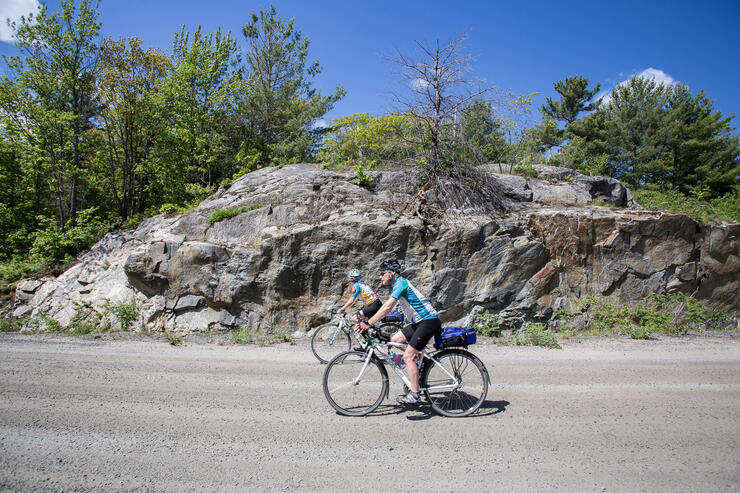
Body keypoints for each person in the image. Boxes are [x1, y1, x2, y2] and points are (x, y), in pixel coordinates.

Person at [356, 259, 441, 405]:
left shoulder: (400, 283)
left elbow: (387, 307)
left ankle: (414, 394)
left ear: (391, 273)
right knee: (395, 340)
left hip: (428, 321)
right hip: (419, 322)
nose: (380, 277)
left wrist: (368, 323)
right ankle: (421, 363)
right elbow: (389, 310)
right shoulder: (399, 284)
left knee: (407, 356)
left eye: (382, 273)